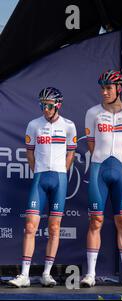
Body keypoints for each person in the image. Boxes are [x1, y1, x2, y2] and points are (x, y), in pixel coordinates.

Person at [80, 70, 122, 287]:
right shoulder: (93, 112)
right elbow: (91, 143)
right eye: (102, 88)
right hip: (100, 169)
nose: (104, 92)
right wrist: (103, 159)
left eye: (109, 88)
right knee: (95, 221)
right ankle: (90, 274)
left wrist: (121, 159)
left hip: (121, 171)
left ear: (119, 89)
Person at [8, 87, 77, 288]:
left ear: (58, 106)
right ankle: (24, 275)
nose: (44, 109)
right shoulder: (33, 125)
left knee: (54, 228)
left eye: (48, 105)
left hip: (59, 179)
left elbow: (70, 153)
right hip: (40, 178)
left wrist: (61, 172)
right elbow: (30, 153)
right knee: (30, 226)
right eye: (42, 105)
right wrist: (37, 170)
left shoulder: (69, 126)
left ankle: (47, 273)